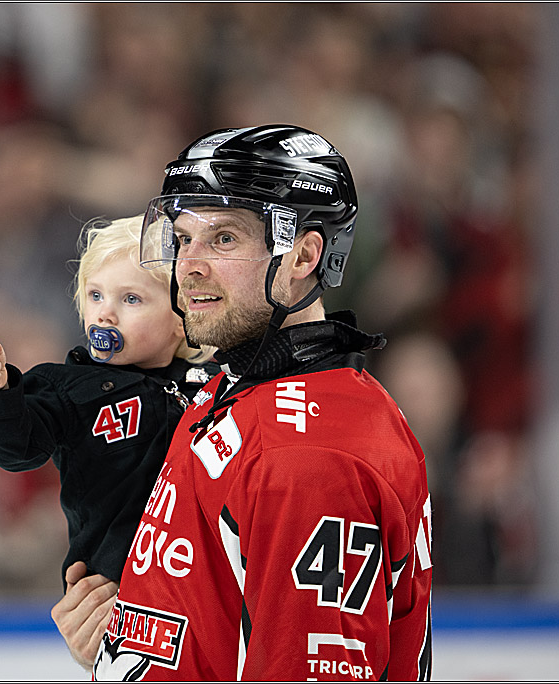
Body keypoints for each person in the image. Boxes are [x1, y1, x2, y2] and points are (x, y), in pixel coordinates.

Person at [58, 125, 433, 680]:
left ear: (304, 254)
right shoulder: (239, 386)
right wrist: (127, 646)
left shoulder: (306, 460)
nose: (189, 265)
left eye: (224, 238)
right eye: (183, 239)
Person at [0, 215, 217, 596]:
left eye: (131, 299)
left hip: (202, 578)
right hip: (114, 584)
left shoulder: (214, 385)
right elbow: (16, 449)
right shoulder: (68, 387)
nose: (105, 313)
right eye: (95, 295)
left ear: (183, 316)